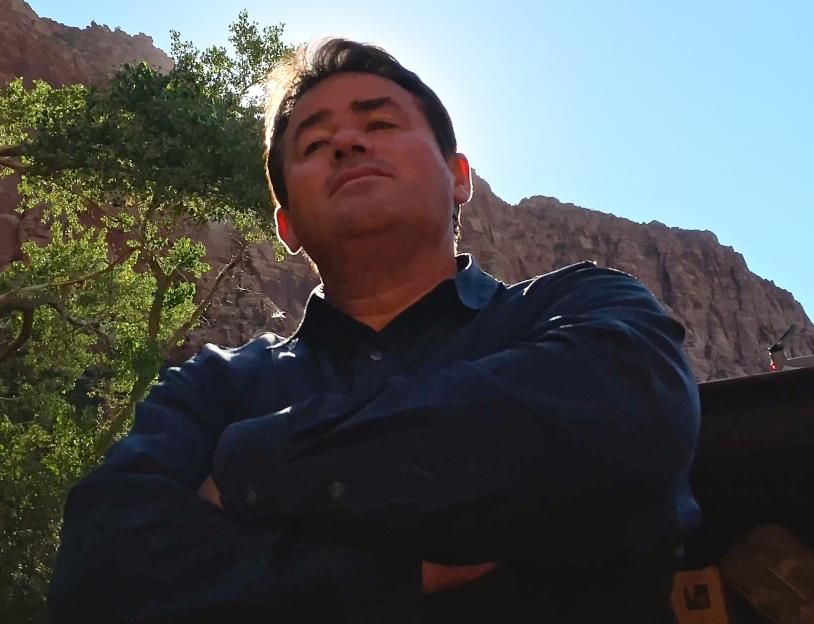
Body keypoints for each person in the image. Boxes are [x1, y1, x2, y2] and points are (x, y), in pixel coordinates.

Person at [49, 39, 701, 623]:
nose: (347, 142)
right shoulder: (211, 386)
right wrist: (384, 579)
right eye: (312, 143)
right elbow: (101, 579)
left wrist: (258, 467)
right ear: (289, 228)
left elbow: (629, 413)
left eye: (380, 122)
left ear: (458, 177)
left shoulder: (585, 308)